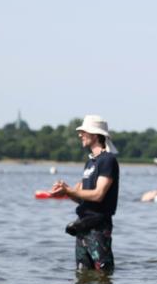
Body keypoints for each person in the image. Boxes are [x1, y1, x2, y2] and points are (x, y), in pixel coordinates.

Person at [51, 115, 120, 272]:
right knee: (82, 275)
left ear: (95, 135)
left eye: (84, 131)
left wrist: (69, 190)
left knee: (103, 272)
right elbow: (82, 198)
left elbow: (98, 195)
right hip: (83, 225)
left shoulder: (107, 160)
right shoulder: (90, 162)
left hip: (99, 226)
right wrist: (64, 192)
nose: (80, 135)